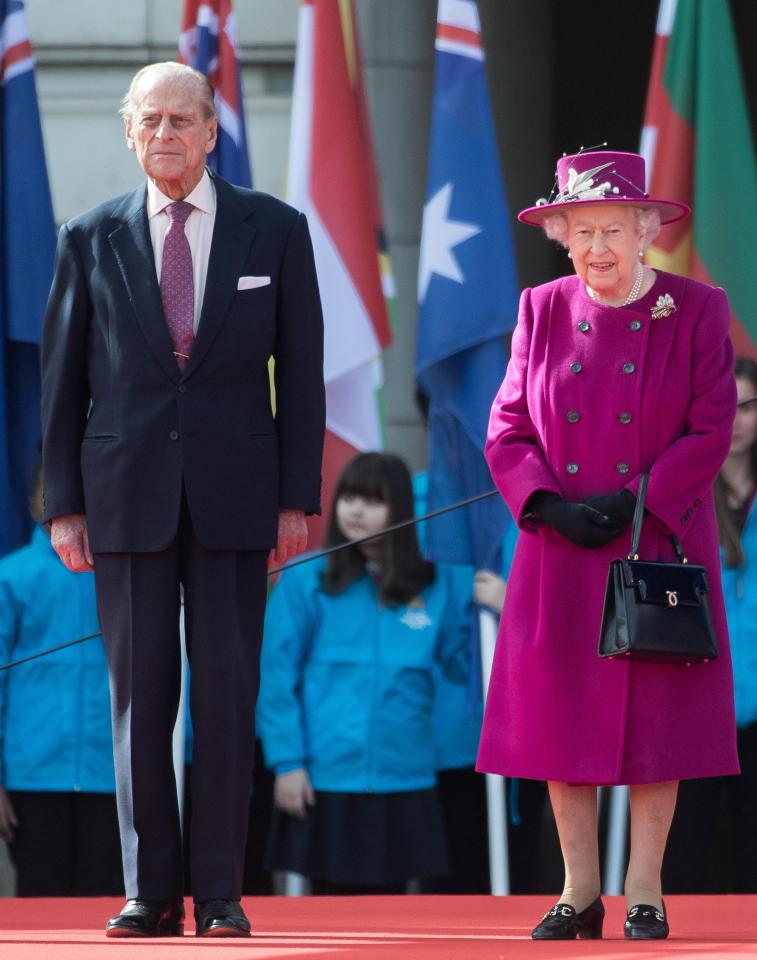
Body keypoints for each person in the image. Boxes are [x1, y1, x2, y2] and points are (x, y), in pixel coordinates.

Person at [40, 62, 324, 936]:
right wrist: (63, 503)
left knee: (227, 695)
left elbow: (302, 378)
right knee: (140, 700)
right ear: (129, 133)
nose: (165, 134)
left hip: (239, 497)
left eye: (181, 119)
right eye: (149, 120)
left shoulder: (274, 231)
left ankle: (222, 893)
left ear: (212, 132)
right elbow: (61, 381)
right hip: (124, 496)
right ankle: (149, 890)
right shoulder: (88, 236)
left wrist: (295, 499)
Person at [477, 148, 738, 940]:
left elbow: (711, 426)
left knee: (658, 721)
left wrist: (636, 499)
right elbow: (508, 425)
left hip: (658, 540)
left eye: (612, 230)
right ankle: (577, 888)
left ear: (647, 230)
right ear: (560, 233)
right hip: (561, 550)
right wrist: (546, 503)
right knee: (561, 717)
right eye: (581, 229)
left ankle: (646, 888)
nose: (596, 247)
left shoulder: (696, 308)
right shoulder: (541, 307)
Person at [257, 452, 473, 893]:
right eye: (350, 497)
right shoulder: (304, 579)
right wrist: (288, 763)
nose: (356, 510)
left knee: (399, 915)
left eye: (373, 500)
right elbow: (276, 678)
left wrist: (492, 600)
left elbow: (460, 668)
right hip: (324, 778)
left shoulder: (439, 584)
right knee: (330, 915)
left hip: (408, 777)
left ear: (400, 509)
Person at [0, 461, 122, 896]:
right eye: (54, 493)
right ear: (34, 501)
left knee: (109, 903)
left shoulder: (127, 576)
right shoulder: (10, 578)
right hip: (32, 776)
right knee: (41, 895)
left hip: (113, 775)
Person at [664, 357, 757, 893]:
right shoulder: (682, 490)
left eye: (750, 405)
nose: (739, 419)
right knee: (688, 862)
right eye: (730, 405)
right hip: (697, 697)